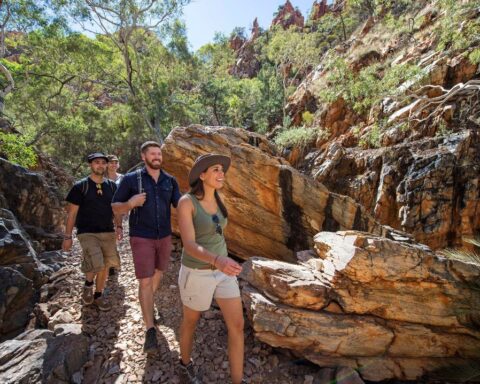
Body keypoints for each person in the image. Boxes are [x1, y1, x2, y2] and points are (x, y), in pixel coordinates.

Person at [177, 153, 245, 384]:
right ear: (202, 175)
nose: (221, 173)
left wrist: (224, 261)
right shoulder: (187, 202)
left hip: (223, 272)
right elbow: (189, 244)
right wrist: (218, 260)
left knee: (237, 325)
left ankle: (237, 380)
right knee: (191, 321)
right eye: (215, 169)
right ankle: (184, 363)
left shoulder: (218, 198)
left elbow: (218, 233)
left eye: (222, 170)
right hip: (197, 272)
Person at [111, 141, 181, 354]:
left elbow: (181, 204)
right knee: (145, 280)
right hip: (141, 236)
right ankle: (150, 329)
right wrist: (131, 203)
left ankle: (148, 305)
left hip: (165, 237)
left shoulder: (170, 180)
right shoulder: (132, 180)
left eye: (159, 153)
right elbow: (115, 207)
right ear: (144, 157)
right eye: (152, 153)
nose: (157, 157)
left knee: (159, 272)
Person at [62, 152, 122, 311]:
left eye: (103, 162)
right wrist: (67, 237)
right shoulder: (80, 186)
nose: (100, 165)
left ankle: (97, 294)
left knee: (106, 264)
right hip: (86, 232)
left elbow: (116, 210)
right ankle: (90, 286)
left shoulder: (112, 186)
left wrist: (119, 227)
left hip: (107, 232)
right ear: (91, 165)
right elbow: (72, 213)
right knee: (98, 262)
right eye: (97, 162)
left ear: (107, 165)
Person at [106, 154, 124, 278]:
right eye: (111, 162)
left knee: (114, 236)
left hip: (118, 210)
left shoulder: (123, 178)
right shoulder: (101, 178)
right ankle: (110, 264)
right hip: (104, 210)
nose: (113, 164)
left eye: (115, 162)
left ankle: (112, 264)